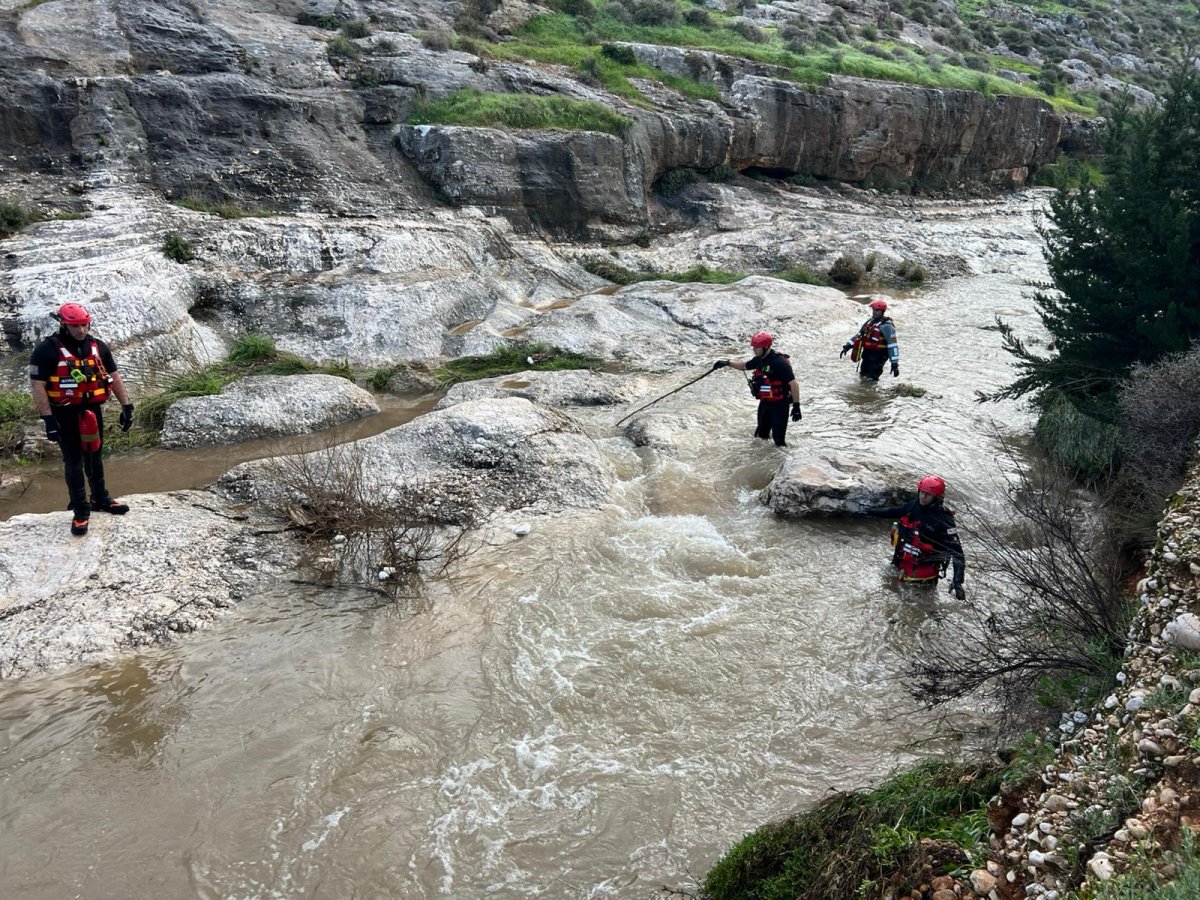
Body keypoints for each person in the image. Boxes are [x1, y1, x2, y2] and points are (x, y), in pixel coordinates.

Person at [29, 302, 135, 536]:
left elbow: (114, 376)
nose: (81, 330)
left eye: (85, 325)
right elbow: (38, 386)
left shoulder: (99, 347)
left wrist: (127, 406)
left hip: (92, 412)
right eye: (76, 326)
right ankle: (80, 509)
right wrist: (47, 420)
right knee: (74, 460)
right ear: (64, 324)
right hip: (64, 414)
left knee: (95, 456)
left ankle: (101, 498)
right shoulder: (46, 350)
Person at [863, 475, 966, 599]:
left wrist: (957, 583)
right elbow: (893, 512)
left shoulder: (944, 520)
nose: (923, 496)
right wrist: (868, 511)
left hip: (924, 572)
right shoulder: (913, 506)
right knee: (888, 594)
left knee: (918, 607)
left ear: (936, 497)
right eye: (921, 492)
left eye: (928, 494)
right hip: (901, 562)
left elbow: (957, 554)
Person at [712, 331, 802, 447]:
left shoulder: (779, 363)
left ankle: (787, 463)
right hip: (765, 403)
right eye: (753, 347)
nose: (754, 349)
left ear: (765, 347)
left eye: (756, 347)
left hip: (780, 405)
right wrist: (727, 363)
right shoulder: (759, 359)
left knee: (779, 441)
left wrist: (796, 406)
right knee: (761, 436)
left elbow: (793, 384)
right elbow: (744, 366)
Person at [840, 298, 900, 381]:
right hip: (867, 354)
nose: (874, 312)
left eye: (877, 310)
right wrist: (848, 345)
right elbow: (859, 335)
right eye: (873, 310)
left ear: (882, 311)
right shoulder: (870, 322)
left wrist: (894, 364)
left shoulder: (887, 326)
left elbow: (892, 345)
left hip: (879, 356)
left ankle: (871, 393)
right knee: (863, 375)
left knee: (872, 378)